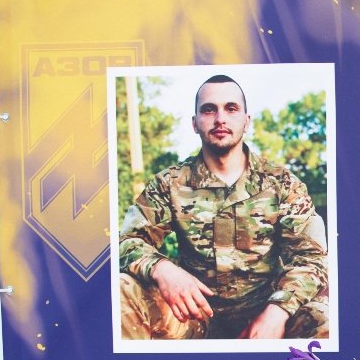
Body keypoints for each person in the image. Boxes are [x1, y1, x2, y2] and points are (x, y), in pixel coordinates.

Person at [119, 74, 329, 340]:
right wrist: (162, 268)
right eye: (209, 110)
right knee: (123, 290)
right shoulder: (170, 183)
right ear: (195, 124)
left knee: (324, 318)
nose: (220, 119)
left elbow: (313, 258)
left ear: (246, 121)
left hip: (268, 313)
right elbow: (125, 242)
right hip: (192, 315)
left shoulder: (281, 184)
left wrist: (279, 310)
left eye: (231, 109)